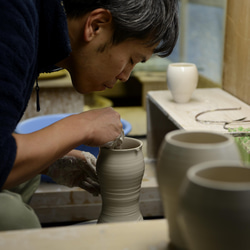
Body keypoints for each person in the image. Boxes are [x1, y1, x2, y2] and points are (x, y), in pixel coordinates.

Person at [0, 0, 179, 230]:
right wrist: (83, 125)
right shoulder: (12, 16)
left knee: (28, 175)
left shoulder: (36, 24)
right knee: (14, 218)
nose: (125, 76)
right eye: (132, 59)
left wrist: (50, 161)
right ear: (95, 25)